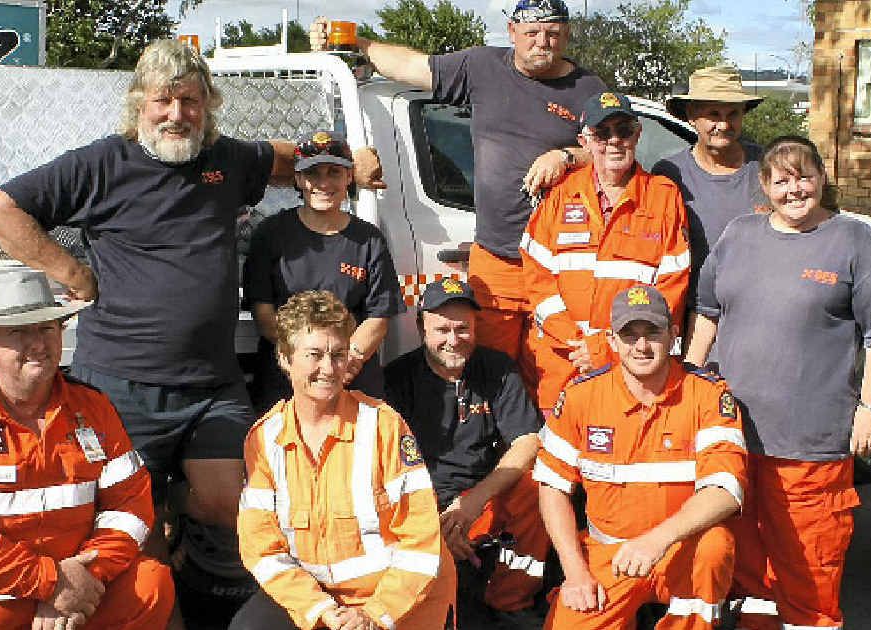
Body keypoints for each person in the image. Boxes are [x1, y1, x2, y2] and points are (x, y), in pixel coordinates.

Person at [0, 38, 384, 609]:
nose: (176, 114)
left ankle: (165, 502)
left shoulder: (226, 159)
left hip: (211, 384)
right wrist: (68, 270)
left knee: (233, 501)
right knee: (129, 537)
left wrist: (348, 158)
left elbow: (286, 158)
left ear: (207, 105)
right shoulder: (101, 164)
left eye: (190, 101)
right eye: (163, 100)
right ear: (139, 102)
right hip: (119, 383)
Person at [311, 0, 607, 390]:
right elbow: (412, 66)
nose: (542, 42)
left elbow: (612, 151)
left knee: (561, 375)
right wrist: (360, 44)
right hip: (498, 258)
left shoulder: (588, 90)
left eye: (553, 33)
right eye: (532, 33)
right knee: (492, 375)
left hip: (561, 264)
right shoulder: (482, 67)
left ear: (566, 35)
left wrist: (566, 156)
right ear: (512, 31)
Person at [684, 136, 871, 630]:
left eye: (804, 176)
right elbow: (707, 312)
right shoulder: (739, 234)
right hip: (735, 436)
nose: (794, 189)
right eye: (781, 180)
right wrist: (687, 385)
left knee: (810, 563)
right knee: (749, 559)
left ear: (821, 179)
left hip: (810, 445)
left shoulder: (852, 241)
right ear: (764, 186)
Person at [0, 271, 173, 629]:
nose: (38, 343)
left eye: (46, 329)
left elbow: (130, 507)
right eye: (19, 331)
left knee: (149, 585)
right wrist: (50, 583)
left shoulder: (92, 406)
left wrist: (88, 576)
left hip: (68, 595)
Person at [232, 290, 455, 630]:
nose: (328, 368)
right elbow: (262, 548)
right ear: (285, 358)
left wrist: (375, 614)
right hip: (319, 598)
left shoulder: (383, 425)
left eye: (338, 354)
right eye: (314, 355)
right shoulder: (264, 438)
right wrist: (320, 609)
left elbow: (420, 540)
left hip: (398, 599)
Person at [536, 284, 747, 629]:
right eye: (629, 335)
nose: (642, 346)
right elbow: (552, 486)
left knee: (713, 547)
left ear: (674, 334)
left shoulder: (708, 395)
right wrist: (574, 572)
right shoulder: (581, 396)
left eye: (653, 333)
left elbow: (725, 490)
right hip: (609, 553)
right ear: (611, 340)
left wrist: (655, 541)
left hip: (681, 549)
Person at [383, 278, 547, 626]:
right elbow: (387, 467)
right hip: (420, 505)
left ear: (476, 327)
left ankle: (511, 601)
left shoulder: (498, 369)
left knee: (538, 487)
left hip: (483, 498)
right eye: (442, 330)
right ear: (421, 329)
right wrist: (437, 523)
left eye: (462, 328)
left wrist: (472, 503)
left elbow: (527, 441)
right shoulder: (396, 379)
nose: (453, 339)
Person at [520, 90, 690, 412]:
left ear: (637, 135)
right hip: (564, 363)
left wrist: (605, 348)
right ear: (584, 141)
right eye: (602, 133)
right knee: (560, 443)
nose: (614, 142)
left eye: (623, 131)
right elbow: (537, 280)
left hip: (631, 365)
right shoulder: (560, 195)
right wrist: (576, 342)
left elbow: (671, 288)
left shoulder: (664, 197)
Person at [244, 131, 405, 412]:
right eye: (312, 173)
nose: (323, 183)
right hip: (288, 378)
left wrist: (347, 360)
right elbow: (264, 313)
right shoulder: (270, 234)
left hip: (352, 379)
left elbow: (379, 317)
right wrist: (305, 361)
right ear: (298, 179)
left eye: (334, 172)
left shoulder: (369, 240)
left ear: (349, 177)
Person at [652, 65, 766, 342]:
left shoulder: (768, 167)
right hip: (693, 322)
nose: (724, 125)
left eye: (733, 114)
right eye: (713, 114)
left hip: (760, 318)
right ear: (692, 116)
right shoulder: (670, 174)